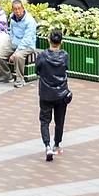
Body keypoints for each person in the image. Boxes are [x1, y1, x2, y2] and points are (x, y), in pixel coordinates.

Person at [37, 29, 72, 161]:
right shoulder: (65, 56)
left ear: (49, 40)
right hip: (61, 94)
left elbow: (37, 71)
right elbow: (66, 69)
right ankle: (56, 144)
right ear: (61, 42)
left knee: (45, 121)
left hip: (46, 94)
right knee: (60, 121)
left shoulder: (42, 56)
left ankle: (47, 146)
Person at [3, 0, 38, 88]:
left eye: (19, 8)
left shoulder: (30, 21)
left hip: (28, 46)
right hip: (15, 43)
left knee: (18, 56)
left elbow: (27, 39)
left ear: (23, 8)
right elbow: (11, 32)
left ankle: (20, 80)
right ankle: (7, 76)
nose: (17, 11)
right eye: (15, 9)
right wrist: (11, 42)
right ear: (12, 10)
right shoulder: (12, 18)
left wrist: (15, 53)